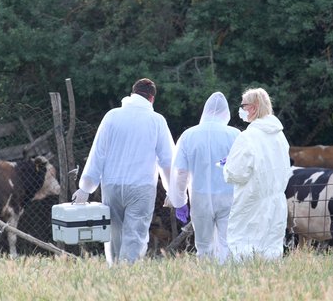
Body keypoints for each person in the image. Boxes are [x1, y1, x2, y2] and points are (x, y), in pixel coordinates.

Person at [72, 78, 174, 263]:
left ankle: (115, 272)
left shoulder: (112, 116)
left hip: (112, 184)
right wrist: (172, 189)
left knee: (114, 234)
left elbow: (98, 153)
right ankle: (128, 274)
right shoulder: (157, 120)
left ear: (132, 94)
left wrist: (85, 187)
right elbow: (166, 160)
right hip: (141, 187)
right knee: (135, 234)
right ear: (151, 99)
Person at [168, 92, 240, 263]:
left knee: (204, 245)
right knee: (227, 243)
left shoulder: (189, 136)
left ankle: (207, 280)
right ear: (226, 113)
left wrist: (179, 201)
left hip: (199, 196)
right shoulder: (235, 135)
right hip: (229, 196)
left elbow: (180, 172)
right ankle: (227, 279)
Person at [223, 87, 292, 260]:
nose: (241, 109)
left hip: (252, 201)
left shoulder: (248, 137)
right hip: (276, 202)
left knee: (244, 245)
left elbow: (237, 173)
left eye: (243, 105)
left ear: (253, 107)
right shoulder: (280, 136)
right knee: (271, 247)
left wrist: (226, 167)